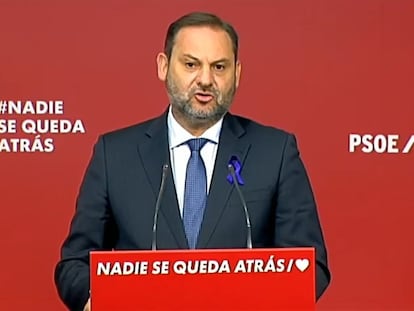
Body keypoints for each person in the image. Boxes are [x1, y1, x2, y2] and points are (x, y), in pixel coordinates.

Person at [55, 11, 331, 311]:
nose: (205, 80)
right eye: (191, 64)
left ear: (237, 74)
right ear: (163, 66)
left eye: (219, 67)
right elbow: (74, 264)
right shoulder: (115, 154)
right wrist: (101, 302)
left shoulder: (275, 152)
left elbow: (310, 265)